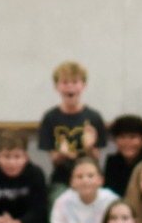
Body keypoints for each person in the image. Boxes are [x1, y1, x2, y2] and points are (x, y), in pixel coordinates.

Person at [39, 61, 106, 189]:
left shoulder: (94, 117)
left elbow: (96, 159)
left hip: (90, 179)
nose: (70, 87)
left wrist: (89, 146)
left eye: (75, 82)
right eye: (64, 82)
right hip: (62, 179)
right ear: (56, 86)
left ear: (84, 86)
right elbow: (55, 160)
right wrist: (63, 153)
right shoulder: (50, 118)